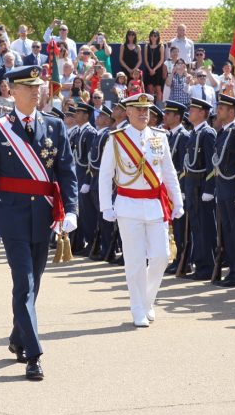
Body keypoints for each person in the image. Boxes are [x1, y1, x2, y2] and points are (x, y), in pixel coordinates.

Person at [0, 64, 78, 380]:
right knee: (24, 283)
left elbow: (67, 172)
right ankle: (34, 354)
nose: (37, 91)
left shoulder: (55, 126)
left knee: (34, 283)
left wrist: (70, 210)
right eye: (29, 87)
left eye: (39, 86)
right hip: (12, 217)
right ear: (11, 90)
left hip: (44, 216)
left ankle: (18, 336)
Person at [99, 93, 184, 326]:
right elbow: (106, 174)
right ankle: (137, 307)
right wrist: (106, 205)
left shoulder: (159, 137)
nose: (144, 113)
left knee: (161, 256)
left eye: (147, 109)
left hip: (155, 206)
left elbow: (169, 171)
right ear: (127, 112)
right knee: (135, 261)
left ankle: (148, 299)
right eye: (138, 109)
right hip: (128, 205)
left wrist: (177, 201)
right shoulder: (117, 139)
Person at [213, 95, 235, 287]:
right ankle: (234, 271)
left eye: (222, 108)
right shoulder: (223, 132)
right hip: (223, 190)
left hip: (233, 190)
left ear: (232, 112)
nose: (218, 110)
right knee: (228, 233)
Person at [181, 98, 217, 280]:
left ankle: (207, 267)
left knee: (205, 228)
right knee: (196, 227)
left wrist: (210, 189)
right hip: (192, 186)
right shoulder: (194, 133)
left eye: (193, 109)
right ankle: (200, 264)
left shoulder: (207, 133)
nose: (190, 112)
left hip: (202, 187)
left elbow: (212, 165)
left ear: (202, 113)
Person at [163, 100, 190, 274]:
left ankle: (183, 259)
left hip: (179, 188)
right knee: (174, 226)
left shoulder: (183, 136)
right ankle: (177, 258)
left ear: (177, 117)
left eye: (168, 114)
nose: (164, 116)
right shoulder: (169, 135)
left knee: (181, 227)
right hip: (169, 189)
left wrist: (181, 190)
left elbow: (185, 165)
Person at [86, 104, 115, 261]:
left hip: (102, 178)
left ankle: (108, 249)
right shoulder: (100, 134)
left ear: (108, 119)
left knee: (106, 220)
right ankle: (103, 248)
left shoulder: (107, 135)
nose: (97, 118)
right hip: (95, 177)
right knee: (100, 218)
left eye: (101, 116)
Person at [72, 102, 98, 256]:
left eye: (79, 113)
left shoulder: (90, 133)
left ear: (86, 115)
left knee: (88, 214)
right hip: (78, 177)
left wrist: (87, 181)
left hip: (84, 178)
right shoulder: (78, 132)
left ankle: (92, 243)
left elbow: (90, 161)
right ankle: (81, 242)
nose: (75, 115)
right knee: (81, 213)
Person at [144, 29, 165, 102]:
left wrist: (154, 69)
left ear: (158, 37)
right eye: (152, 35)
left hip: (158, 70)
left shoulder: (161, 46)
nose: (153, 37)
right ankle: (151, 109)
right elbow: (146, 59)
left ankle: (159, 108)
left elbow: (162, 59)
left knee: (158, 90)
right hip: (149, 70)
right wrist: (150, 69)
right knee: (150, 90)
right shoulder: (147, 46)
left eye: (155, 35)